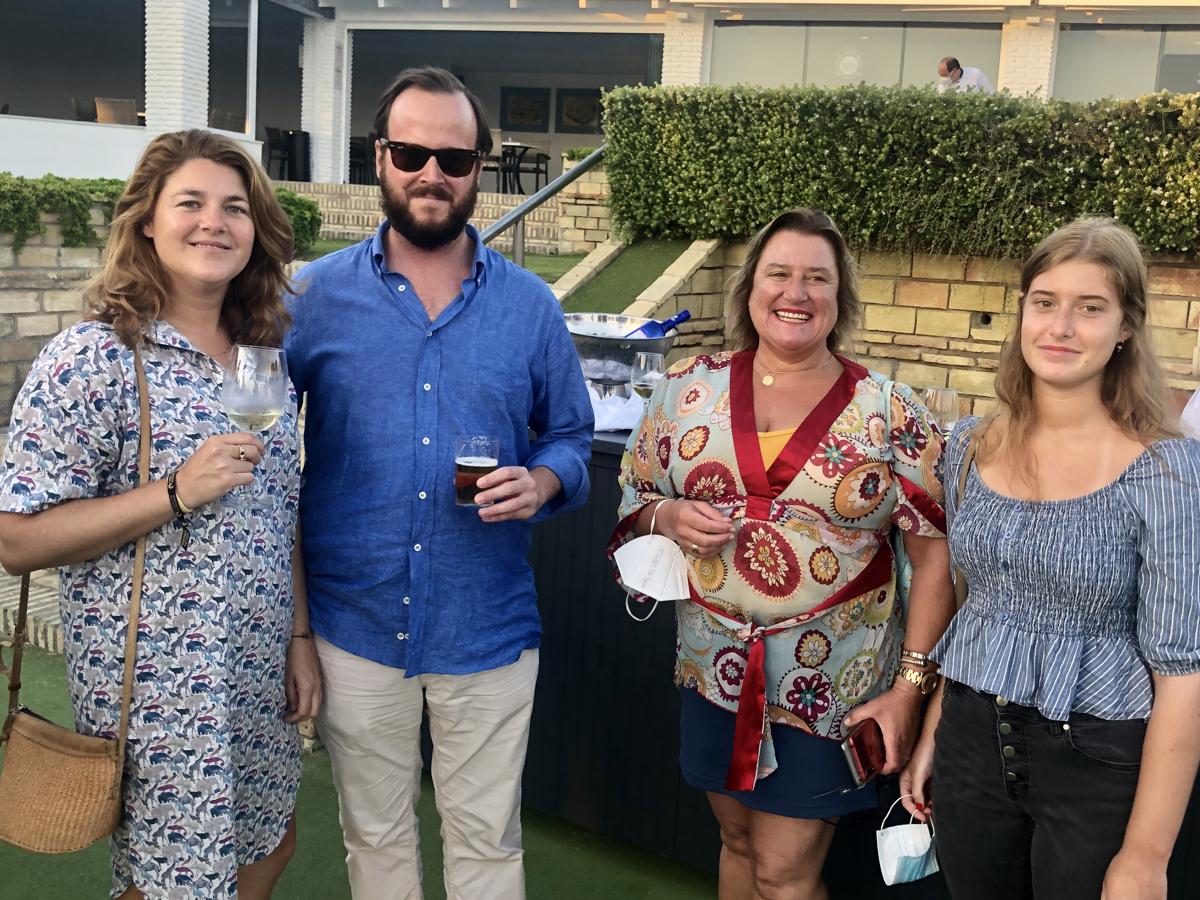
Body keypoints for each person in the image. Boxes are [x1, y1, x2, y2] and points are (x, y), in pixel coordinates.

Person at [284, 66, 593, 900]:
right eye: (412, 152)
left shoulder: (530, 307)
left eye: (453, 159)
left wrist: (545, 482)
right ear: (379, 157)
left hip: (485, 628)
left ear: (479, 168)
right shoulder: (310, 297)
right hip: (356, 625)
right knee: (375, 840)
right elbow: (260, 441)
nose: (432, 174)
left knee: (487, 845)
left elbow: (571, 434)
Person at [0, 129, 319, 898]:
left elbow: (280, 515)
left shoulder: (261, 356)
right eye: (191, 203)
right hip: (159, 690)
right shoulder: (97, 356)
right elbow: (15, 539)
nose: (215, 222)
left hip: (253, 674)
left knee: (267, 846)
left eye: (235, 207)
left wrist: (299, 639)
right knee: (171, 877)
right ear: (147, 219)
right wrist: (173, 491)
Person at [608, 208, 956, 899]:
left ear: (839, 298)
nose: (795, 293)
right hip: (713, 673)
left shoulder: (889, 411)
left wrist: (912, 688)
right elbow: (633, 498)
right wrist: (669, 513)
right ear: (749, 289)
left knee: (786, 875)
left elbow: (936, 552)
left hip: (831, 690)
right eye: (779, 274)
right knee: (736, 844)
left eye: (816, 279)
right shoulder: (688, 389)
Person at [900, 217, 1200, 900]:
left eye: (1090, 307)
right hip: (971, 745)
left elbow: (1183, 676)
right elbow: (982, 610)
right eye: (1045, 301)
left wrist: (1147, 857)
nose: (1061, 325)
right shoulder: (971, 446)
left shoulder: (1169, 473)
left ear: (1126, 326)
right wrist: (933, 738)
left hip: (1097, 760)